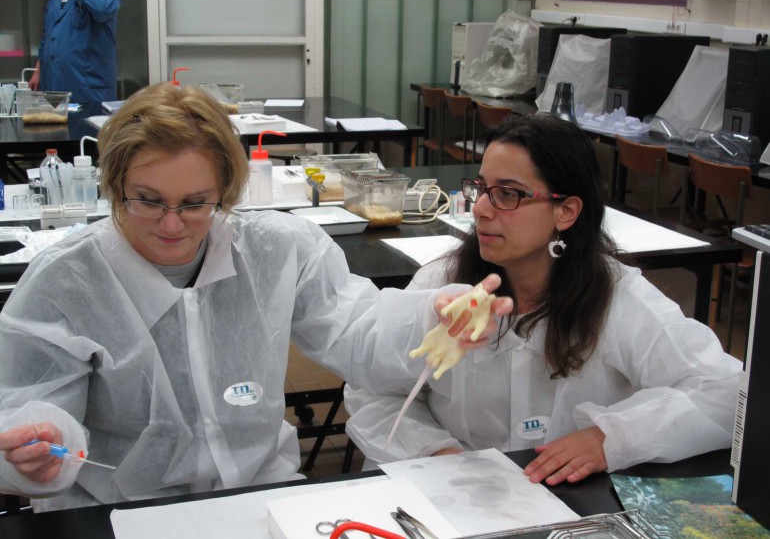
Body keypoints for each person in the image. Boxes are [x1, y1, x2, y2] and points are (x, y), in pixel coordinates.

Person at [0, 83, 511, 511]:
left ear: (226, 190)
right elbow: (26, 404)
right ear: (114, 186)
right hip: (125, 512)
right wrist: (36, 447)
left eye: (196, 203)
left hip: (262, 496)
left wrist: (430, 320)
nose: (172, 225)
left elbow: (356, 328)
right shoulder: (68, 281)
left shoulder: (275, 249)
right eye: (148, 201)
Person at [345, 115, 742, 485]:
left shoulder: (618, 299)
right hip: (450, 490)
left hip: (567, 499)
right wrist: (436, 452)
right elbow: (372, 389)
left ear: (566, 211)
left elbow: (726, 393)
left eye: (507, 194)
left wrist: (611, 438)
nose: (480, 209)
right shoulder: (442, 285)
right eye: (481, 189)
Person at [29, 0, 121, 103]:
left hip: (88, 93)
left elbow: (104, 9)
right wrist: (38, 71)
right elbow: (48, 35)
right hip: (54, 89)